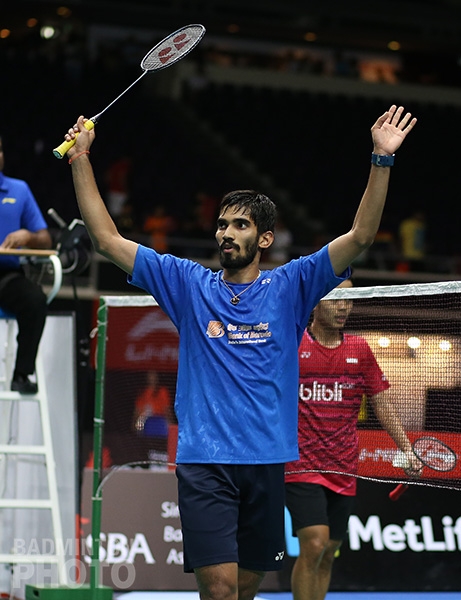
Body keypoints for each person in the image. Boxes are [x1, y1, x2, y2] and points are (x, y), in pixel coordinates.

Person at [61, 104, 416, 600]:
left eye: (241, 225)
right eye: (223, 224)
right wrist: (81, 159)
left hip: (267, 463)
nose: (227, 233)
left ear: (265, 238)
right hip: (205, 461)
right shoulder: (187, 283)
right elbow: (105, 239)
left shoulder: (291, 286)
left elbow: (360, 238)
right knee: (220, 590)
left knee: (246, 589)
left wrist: (381, 159)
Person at [284, 278, 422, 600]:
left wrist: (407, 448)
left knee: (328, 551)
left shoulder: (359, 349)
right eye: (336, 299)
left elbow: (381, 403)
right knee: (314, 543)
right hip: (300, 464)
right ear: (315, 302)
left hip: (343, 466)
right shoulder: (293, 344)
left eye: (349, 299)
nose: (344, 306)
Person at [0, 135, 52, 394]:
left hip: (6, 277)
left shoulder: (19, 190)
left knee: (35, 299)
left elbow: (45, 239)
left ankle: (22, 374)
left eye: (0, 149)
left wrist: (28, 236)